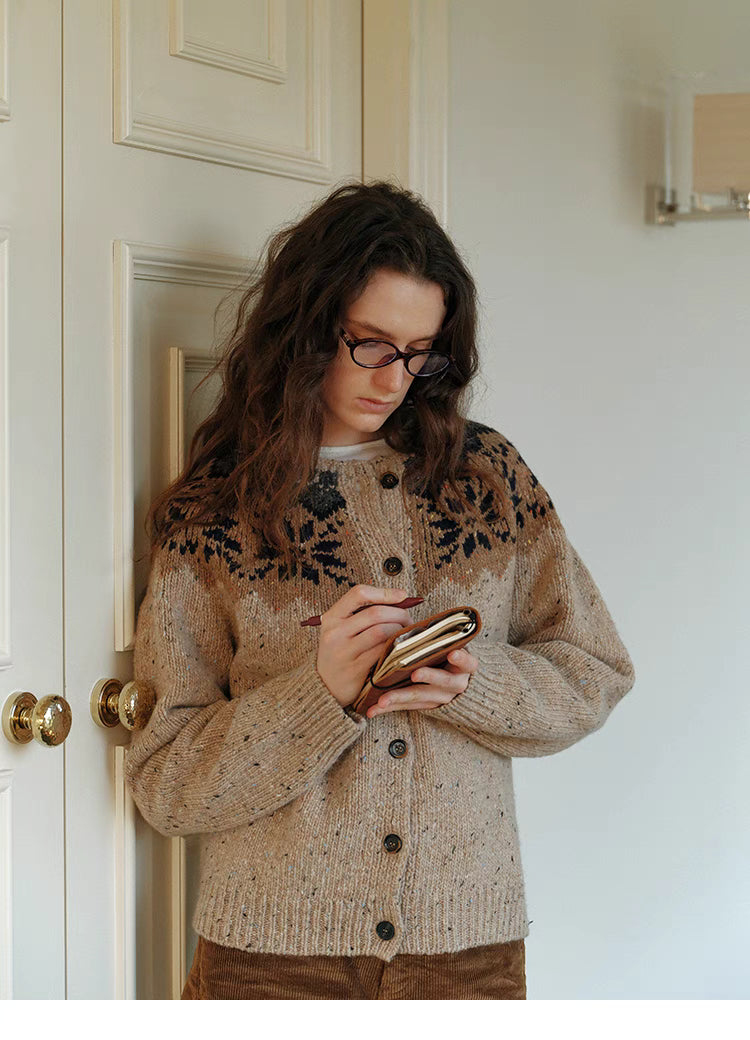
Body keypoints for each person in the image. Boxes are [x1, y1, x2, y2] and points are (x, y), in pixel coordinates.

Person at [124, 180, 636, 1000]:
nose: (394, 378)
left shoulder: (486, 479)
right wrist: (321, 695)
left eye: (418, 352)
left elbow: (594, 671)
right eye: (369, 344)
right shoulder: (217, 513)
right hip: (268, 962)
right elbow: (169, 782)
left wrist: (475, 681)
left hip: (468, 954)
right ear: (305, 328)